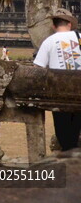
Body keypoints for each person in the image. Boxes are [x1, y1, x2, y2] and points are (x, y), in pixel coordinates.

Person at [33, 8, 81, 151]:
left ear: (54, 26)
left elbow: (38, 68)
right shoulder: (79, 37)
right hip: (79, 91)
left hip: (59, 93)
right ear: (70, 24)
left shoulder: (49, 41)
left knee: (65, 136)